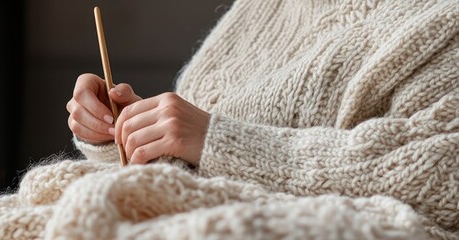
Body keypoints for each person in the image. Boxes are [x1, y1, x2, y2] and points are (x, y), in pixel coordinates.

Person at [67, 0, 458, 234]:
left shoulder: (441, 20)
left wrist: (220, 141)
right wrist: (126, 129)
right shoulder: (261, 8)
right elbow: (193, 146)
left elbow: (440, 175)